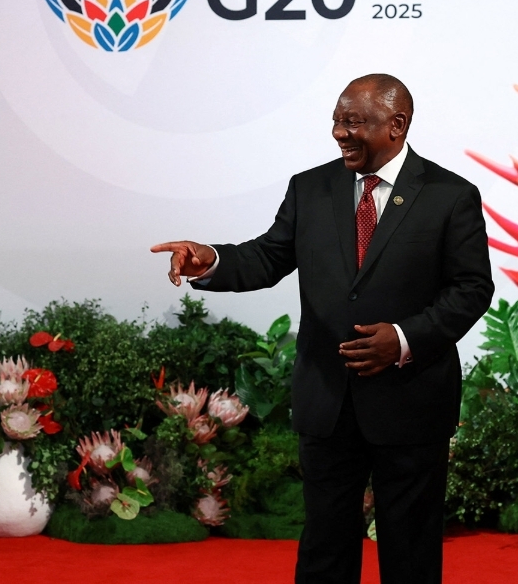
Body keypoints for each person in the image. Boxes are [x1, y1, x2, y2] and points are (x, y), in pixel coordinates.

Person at [152, 74, 494, 584]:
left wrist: (402, 339)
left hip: (411, 400)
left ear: (396, 125)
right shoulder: (310, 187)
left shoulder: (451, 196)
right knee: (324, 548)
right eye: (336, 121)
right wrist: (211, 261)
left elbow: (471, 289)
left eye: (354, 122)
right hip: (327, 399)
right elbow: (267, 258)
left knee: (411, 548)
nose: (339, 133)